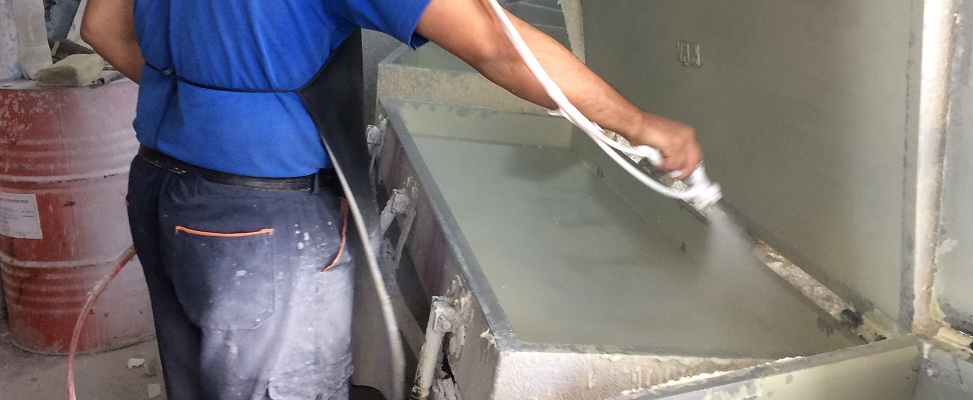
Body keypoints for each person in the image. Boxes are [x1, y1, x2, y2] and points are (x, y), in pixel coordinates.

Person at [81, 0, 702, 399]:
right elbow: (495, 44)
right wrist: (637, 123)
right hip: (261, 225)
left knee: (200, 383)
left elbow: (101, 30)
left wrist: (211, 106)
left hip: (162, 189)